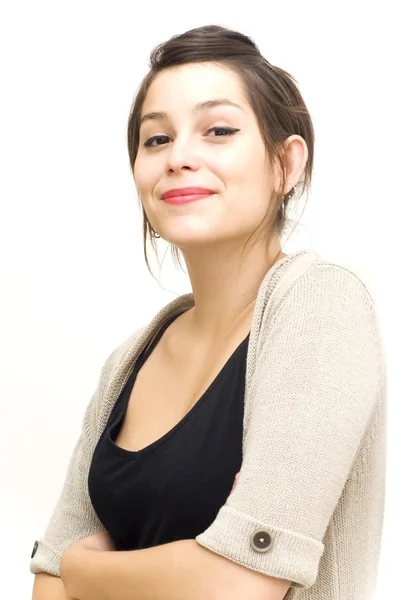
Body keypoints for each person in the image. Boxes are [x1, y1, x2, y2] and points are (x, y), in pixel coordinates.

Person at [30, 25, 386, 600]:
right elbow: (45, 588)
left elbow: (238, 587)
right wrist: (183, 562)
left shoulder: (322, 303)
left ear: (285, 165)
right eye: (156, 139)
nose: (179, 157)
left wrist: (86, 570)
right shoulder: (131, 357)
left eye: (218, 130)